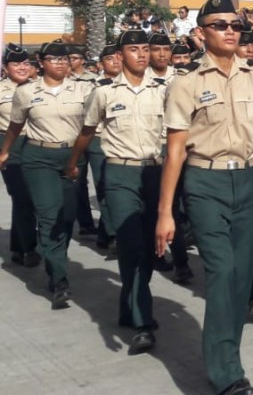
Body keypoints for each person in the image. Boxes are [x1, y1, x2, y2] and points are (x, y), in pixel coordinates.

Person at [154, 0, 253, 395]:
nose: (229, 31)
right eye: (220, 25)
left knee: (243, 276)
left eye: (235, 25)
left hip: (250, 179)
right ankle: (226, 373)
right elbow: (174, 151)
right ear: (202, 32)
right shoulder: (185, 83)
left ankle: (228, 355)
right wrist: (166, 212)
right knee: (222, 273)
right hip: (205, 183)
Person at [65, 30, 165, 355]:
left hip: (154, 172)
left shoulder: (164, 91)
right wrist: (73, 163)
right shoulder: (104, 93)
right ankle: (142, 323)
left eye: (145, 49)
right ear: (120, 55)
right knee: (131, 244)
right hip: (119, 171)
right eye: (133, 49)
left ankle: (130, 304)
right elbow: (87, 131)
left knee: (150, 247)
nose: (141, 55)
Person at [0, 41, 93, 309]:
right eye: (53, 58)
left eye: (65, 58)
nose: (61, 63)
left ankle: (56, 262)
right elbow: (15, 126)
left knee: (67, 216)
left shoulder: (85, 89)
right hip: (38, 158)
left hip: (73, 157)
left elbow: (92, 124)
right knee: (49, 215)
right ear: (41, 62)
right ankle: (59, 278)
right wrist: (5, 152)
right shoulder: (27, 92)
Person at [0, 45, 38, 268]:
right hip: (9, 145)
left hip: (35, 145)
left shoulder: (39, 88)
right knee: (22, 196)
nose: (23, 68)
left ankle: (18, 245)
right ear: (6, 67)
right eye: (17, 64)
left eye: (26, 63)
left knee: (32, 198)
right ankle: (29, 248)